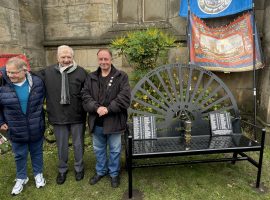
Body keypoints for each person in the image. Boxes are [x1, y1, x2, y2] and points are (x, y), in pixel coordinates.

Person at [37, 45, 88, 184]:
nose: (66, 60)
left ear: (73, 57)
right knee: (61, 145)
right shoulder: (47, 72)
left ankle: (79, 168)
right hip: (58, 115)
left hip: (77, 115)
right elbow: (26, 75)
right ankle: (62, 170)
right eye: (63, 57)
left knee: (78, 144)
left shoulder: (81, 72)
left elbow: (88, 93)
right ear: (57, 57)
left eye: (68, 57)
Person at [81, 48, 131, 188]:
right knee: (98, 149)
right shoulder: (90, 77)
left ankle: (114, 173)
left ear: (111, 59)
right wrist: (97, 108)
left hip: (114, 121)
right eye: (101, 59)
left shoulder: (121, 76)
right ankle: (101, 171)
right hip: (97, 121)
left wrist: (108, 109)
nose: (103, 62)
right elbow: (85, 96)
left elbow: (124, 97)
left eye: (106, 59)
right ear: (98, 60)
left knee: (115, 149)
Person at [0, 57, 46, 195]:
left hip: (35, 126)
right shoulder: (2, 85)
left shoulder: (37, 83)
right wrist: (1, 122)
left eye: (14, 72)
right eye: (8, 72)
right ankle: (21, 177)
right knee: (19, 155)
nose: (10, 75)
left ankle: (38, 174)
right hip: (15, 128)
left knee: (37, 152)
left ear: (24, 71)